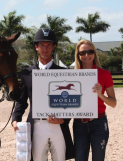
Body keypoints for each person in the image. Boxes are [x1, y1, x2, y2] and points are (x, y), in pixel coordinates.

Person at [12, 28, 75, 161]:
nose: (45, 49)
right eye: (41, 45)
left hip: (58, 124)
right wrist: (15, 118)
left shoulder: (63, 72)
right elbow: (22, 100)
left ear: (53, 47)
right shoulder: (26, 73)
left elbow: (70, 102)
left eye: (48, 45)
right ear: (36, 47)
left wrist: (64, 120)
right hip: (37, 126)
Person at [73, 40, 117, 161]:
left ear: (94, 53)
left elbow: (113, 103)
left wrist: (100, 95)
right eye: (83, 53)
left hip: (99, 122)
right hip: (79, 124)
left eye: (90, 52)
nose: (86, 55)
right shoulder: (72, 75)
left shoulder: (105, 74)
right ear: (78, 55)